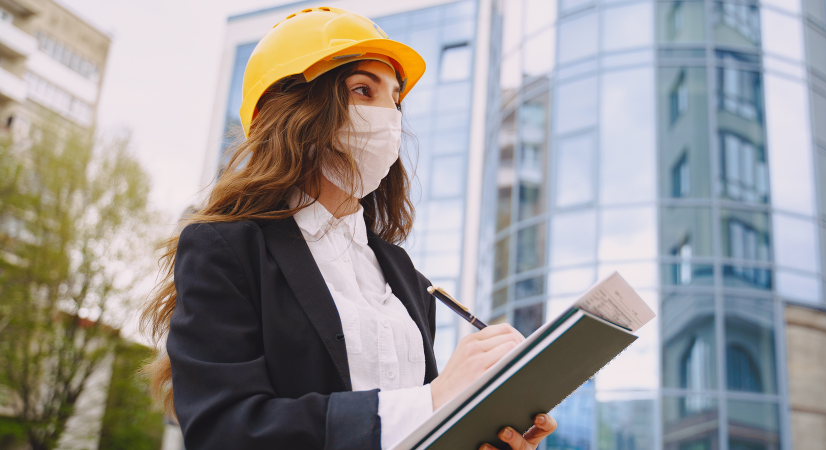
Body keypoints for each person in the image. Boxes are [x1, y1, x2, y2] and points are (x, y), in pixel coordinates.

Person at [140, 7, 557, 450]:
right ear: (292, 112)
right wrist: (432, 400)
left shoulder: (407, 279)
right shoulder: (223, 249)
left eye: (395, 99)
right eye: (363, 90)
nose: (389, 117)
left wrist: (477, 432)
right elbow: (225, 430)